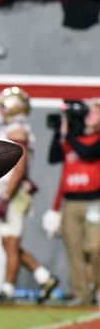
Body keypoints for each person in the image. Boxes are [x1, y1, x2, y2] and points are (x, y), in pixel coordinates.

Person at [0, 87, 58, 304]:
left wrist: (7, 194)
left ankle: (8, 289)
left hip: (14, 191)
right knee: (8, 242)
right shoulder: (11, 130)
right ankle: (44, 277)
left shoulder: (17, 132)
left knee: (11, 241)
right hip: (8, 189)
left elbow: (19, 165)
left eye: (3, 105)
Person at [46, 99, 100, 305]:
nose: (89, 117)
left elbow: (88, 153)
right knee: (74, 249)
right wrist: (58, 132)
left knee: (95, 248)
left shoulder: (94, 139)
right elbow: (53, 157)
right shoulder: (70, 139)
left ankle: (97, 287)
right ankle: (81, 293)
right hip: (71, 202)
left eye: (94, 113)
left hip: (94, 200)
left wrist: (68, 133)